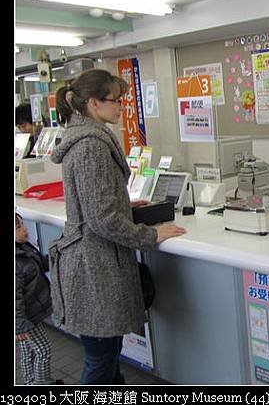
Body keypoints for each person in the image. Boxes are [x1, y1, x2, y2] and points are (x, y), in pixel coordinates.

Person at [48, 69, 186, 385]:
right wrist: (150, 235)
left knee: (107, 355)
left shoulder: (85, 139)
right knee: (101, 359)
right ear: (94, 104)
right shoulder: (91, 146)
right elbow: (101, 220)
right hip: (94, 268)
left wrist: (124, 205)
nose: (121, 106)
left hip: (93, 263)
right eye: (115, 100)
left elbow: (95, 205)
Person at [15, 212, 63, 385]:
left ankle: (30, 382)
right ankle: (43, 384)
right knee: (43, 350)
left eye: (22, 224)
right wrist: (19, 326)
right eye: (18, 227)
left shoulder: (24, 249)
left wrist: (57, 252)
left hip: (28, 314)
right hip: (26, 318)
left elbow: (41, 264)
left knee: (27, 350)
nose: (24, 229)